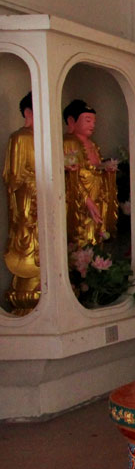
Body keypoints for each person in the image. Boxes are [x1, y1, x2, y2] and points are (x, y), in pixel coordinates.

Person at [63, 99, 118, 248]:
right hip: (81, 201)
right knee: (82, 239)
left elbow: (95, 169)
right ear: (71, 121)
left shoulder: (93, 144)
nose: (92, 125)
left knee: (97, 236)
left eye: (94, 121)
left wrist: (107, 170)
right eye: (87, 120)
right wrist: (87, 200)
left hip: (98, 196)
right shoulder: (69, 142)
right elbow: (70, 177)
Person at [4, 91, 38, 312]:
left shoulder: (46, 139)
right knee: (28, 240)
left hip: (46, 200)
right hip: (28, 200)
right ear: (28, 112)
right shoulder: (21, 137)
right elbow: (15, 177)